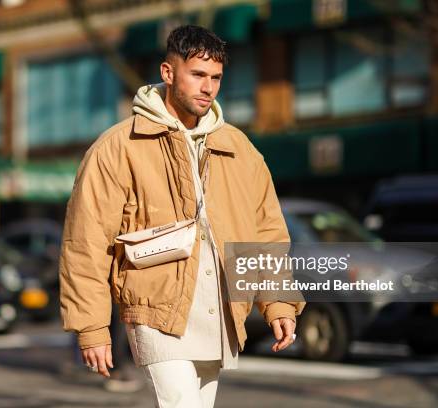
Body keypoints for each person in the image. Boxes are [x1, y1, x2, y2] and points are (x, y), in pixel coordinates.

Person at [59, 24, 306, 408]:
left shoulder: (239, 148)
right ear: (168, 73)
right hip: (156, 311)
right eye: (198, 75)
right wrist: (92, 326)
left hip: (221, 309)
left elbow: (267, 231)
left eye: (216, 78)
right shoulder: (117, 148)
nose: (208, 87)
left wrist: (277, 301)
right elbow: (86, 241)